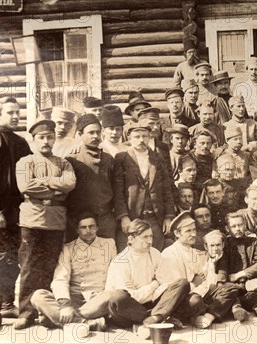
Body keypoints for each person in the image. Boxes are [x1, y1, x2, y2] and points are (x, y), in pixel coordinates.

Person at [14, 119, 77, 329]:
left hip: (56, 221)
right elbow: (25, 186)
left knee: (51, 267)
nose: (46, 141)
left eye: (50, 137)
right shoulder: (25, 162)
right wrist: (55, 188)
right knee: (30, 266)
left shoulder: (63, 162)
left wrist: (44, 182)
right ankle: (25, 313)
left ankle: (46, 312)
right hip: (32, 219)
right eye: (41, 137)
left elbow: (70, 183)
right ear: (33, 140)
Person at [30, 213, 115, 330]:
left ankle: (57, 318)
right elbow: (60, 278)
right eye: (83, 227)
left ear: (98, 227)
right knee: (38, 296)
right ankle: (86, 323)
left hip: (98, 300)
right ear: (77, 230)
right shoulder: (68, 248)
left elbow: (115, 273)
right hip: (74, 298)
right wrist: (65, 305)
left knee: (112, 295)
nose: (88, 230)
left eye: (92, 226)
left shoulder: (109, 244)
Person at [155, 213, 241, 328]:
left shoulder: (194, 252)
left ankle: (209, 315)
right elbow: (175, 288)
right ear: (177, 233)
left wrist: (212, 265)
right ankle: (189, 315)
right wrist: (194, 284)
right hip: (178, 301)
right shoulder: (169, 253)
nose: (193, 234)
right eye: (188, 231)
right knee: (195, 301)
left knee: (231, 288)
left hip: (197, 293)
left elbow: (205, 281)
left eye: (194, 230)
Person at [0, 97, 32, 328]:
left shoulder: (21, 142)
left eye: (18, 112)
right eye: (10, 112)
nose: (15, 116)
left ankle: (7, 305)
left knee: (14, 259)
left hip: (18, 211)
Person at [104, 219, 191, 331]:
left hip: (152, 304)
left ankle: (154, 318)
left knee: (182, 283)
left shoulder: (154, 253)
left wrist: (158, 289)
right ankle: (159, 317)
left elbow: (166, 283)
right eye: (145, 237)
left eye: (151, 236)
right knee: (118, 297)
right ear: (131, 239)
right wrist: (154, 284)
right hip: (129, 310)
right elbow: (133, 297)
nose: (150, 241)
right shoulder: (120, 261)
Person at [113, 123, 176, 251]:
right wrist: (123, 216)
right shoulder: (122, 158)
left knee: (155, 253)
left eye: (144, 136)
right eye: (137, 137)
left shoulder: (157, 158)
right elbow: (118, 191)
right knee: (131, 254)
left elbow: (167, 189)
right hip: (132, 217)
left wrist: (169, 217)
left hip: (155, 218)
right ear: (129, 138)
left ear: (149, 138)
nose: (141, 140)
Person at [65, 114, 116, 242]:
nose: (95, 136)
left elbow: (114, 187)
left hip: (105, 219)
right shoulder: (72, 159)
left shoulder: (108, 159)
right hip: (80, 220)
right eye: (90, 132)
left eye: (98, 132)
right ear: (80, 134)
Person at [221, 212, 257, 317]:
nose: (238, 228)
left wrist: (240, 274)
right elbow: (222, 265)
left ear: (245, 225)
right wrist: (224, 280)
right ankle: (237, 307)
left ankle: (236, 305)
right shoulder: (225, 244)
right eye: (233, 226)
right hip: (231, 285)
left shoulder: (254, 242)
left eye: (240, 225)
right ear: (227, 228)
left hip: (249, 283)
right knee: (226, 292)